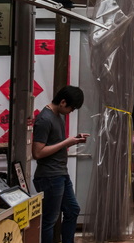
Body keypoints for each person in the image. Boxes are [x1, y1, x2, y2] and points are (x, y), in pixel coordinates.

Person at [33, 85, 88, 243]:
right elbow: (37, 153)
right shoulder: (44, 119)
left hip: (60, 173)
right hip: (49, 176)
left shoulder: (57, 116)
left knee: (72, 210)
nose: (72, 111)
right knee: (50, 220)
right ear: (63, 102)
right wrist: (66, 142)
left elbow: (55, 145)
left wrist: (73, 140)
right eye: (72, 108)